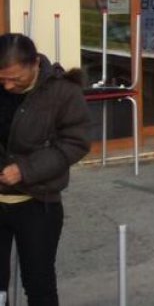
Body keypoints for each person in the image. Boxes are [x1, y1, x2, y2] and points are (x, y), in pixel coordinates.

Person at [0, 34, 90, 306]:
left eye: (15, 79)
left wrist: (25, 170)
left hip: (38, 205)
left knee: (38, 284)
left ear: (35, 63)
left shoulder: (64, 92)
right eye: (1, 78)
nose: (7, 85)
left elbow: (75, 143)